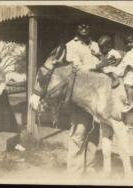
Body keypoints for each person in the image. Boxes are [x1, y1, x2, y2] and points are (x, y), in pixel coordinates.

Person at [30, 21, 100, 176]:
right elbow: (77, 68)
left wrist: (101, 60)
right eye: (81, 25)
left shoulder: (95, 45)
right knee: (78, 133)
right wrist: (98, 66)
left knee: (95, 132)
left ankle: (90, 167)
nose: (84, 27)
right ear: (76, 28)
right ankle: (74, 173)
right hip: (80, 94)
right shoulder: (70, 45)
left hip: (97, 95)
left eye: (87, 25)